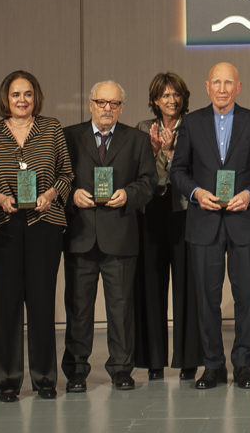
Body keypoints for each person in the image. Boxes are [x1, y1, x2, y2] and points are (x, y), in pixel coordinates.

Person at [170, 62, 250, 390]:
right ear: (207, 86)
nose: (223, 88)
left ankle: (243, 365)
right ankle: (213, 365)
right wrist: (197, 193)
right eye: (217, 82)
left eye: (229, 82)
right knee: (206, 298)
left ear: (239, 87)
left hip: (244, 222)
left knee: (246, 298)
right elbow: (178, 171)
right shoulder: (191, 123)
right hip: (204, 222)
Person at [0, 70, 74, 401]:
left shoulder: (51, 129)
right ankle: (7, 381)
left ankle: (45, 379)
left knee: (41, 302)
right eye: (16, 94)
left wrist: (50, 195)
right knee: (4, 306)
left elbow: (67, 172)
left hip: (44, 224)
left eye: (28, 94)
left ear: (36, 97)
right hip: (3, 227)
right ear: (5, 98)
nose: (22, 100)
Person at [61, 81, 156, 393]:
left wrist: (128, 195)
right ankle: (76, 371)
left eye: (114, 103)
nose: (107, 108)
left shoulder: (137, 139)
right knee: (78, 308)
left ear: (121, 107)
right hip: (81, 235)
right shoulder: (69, 137)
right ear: (90, 104)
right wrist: (71, 195)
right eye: (101, 102)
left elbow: (148, 182)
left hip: (120, 234)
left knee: (120, 308)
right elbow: (58, 177)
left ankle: (121, 369)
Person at [135, 73, 203, 381]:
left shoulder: (195, 127)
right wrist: (153, 151)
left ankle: (188, 360)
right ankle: (154, 361)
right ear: (154, 100)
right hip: (152, 212)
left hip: (186, 212)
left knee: (187, 285)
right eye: (164, 95)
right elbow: (140, 174)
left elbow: (197, 169)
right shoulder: (141, 129)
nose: (171, 100)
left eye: (176, 94)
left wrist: (175, 154)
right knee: (151, 285)